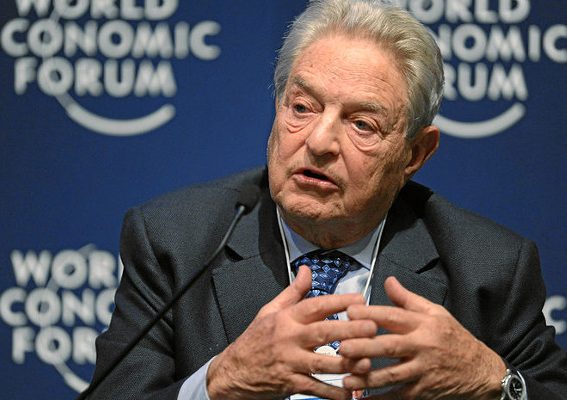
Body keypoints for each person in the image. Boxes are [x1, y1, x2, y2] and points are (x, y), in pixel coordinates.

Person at [84, 1, 567, 399]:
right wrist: (217, 384)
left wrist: (493, 382)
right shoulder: (176, 241)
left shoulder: (489, 268)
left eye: (362, 124)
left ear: (415, 154)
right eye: (302, 107)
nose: (318, 142)